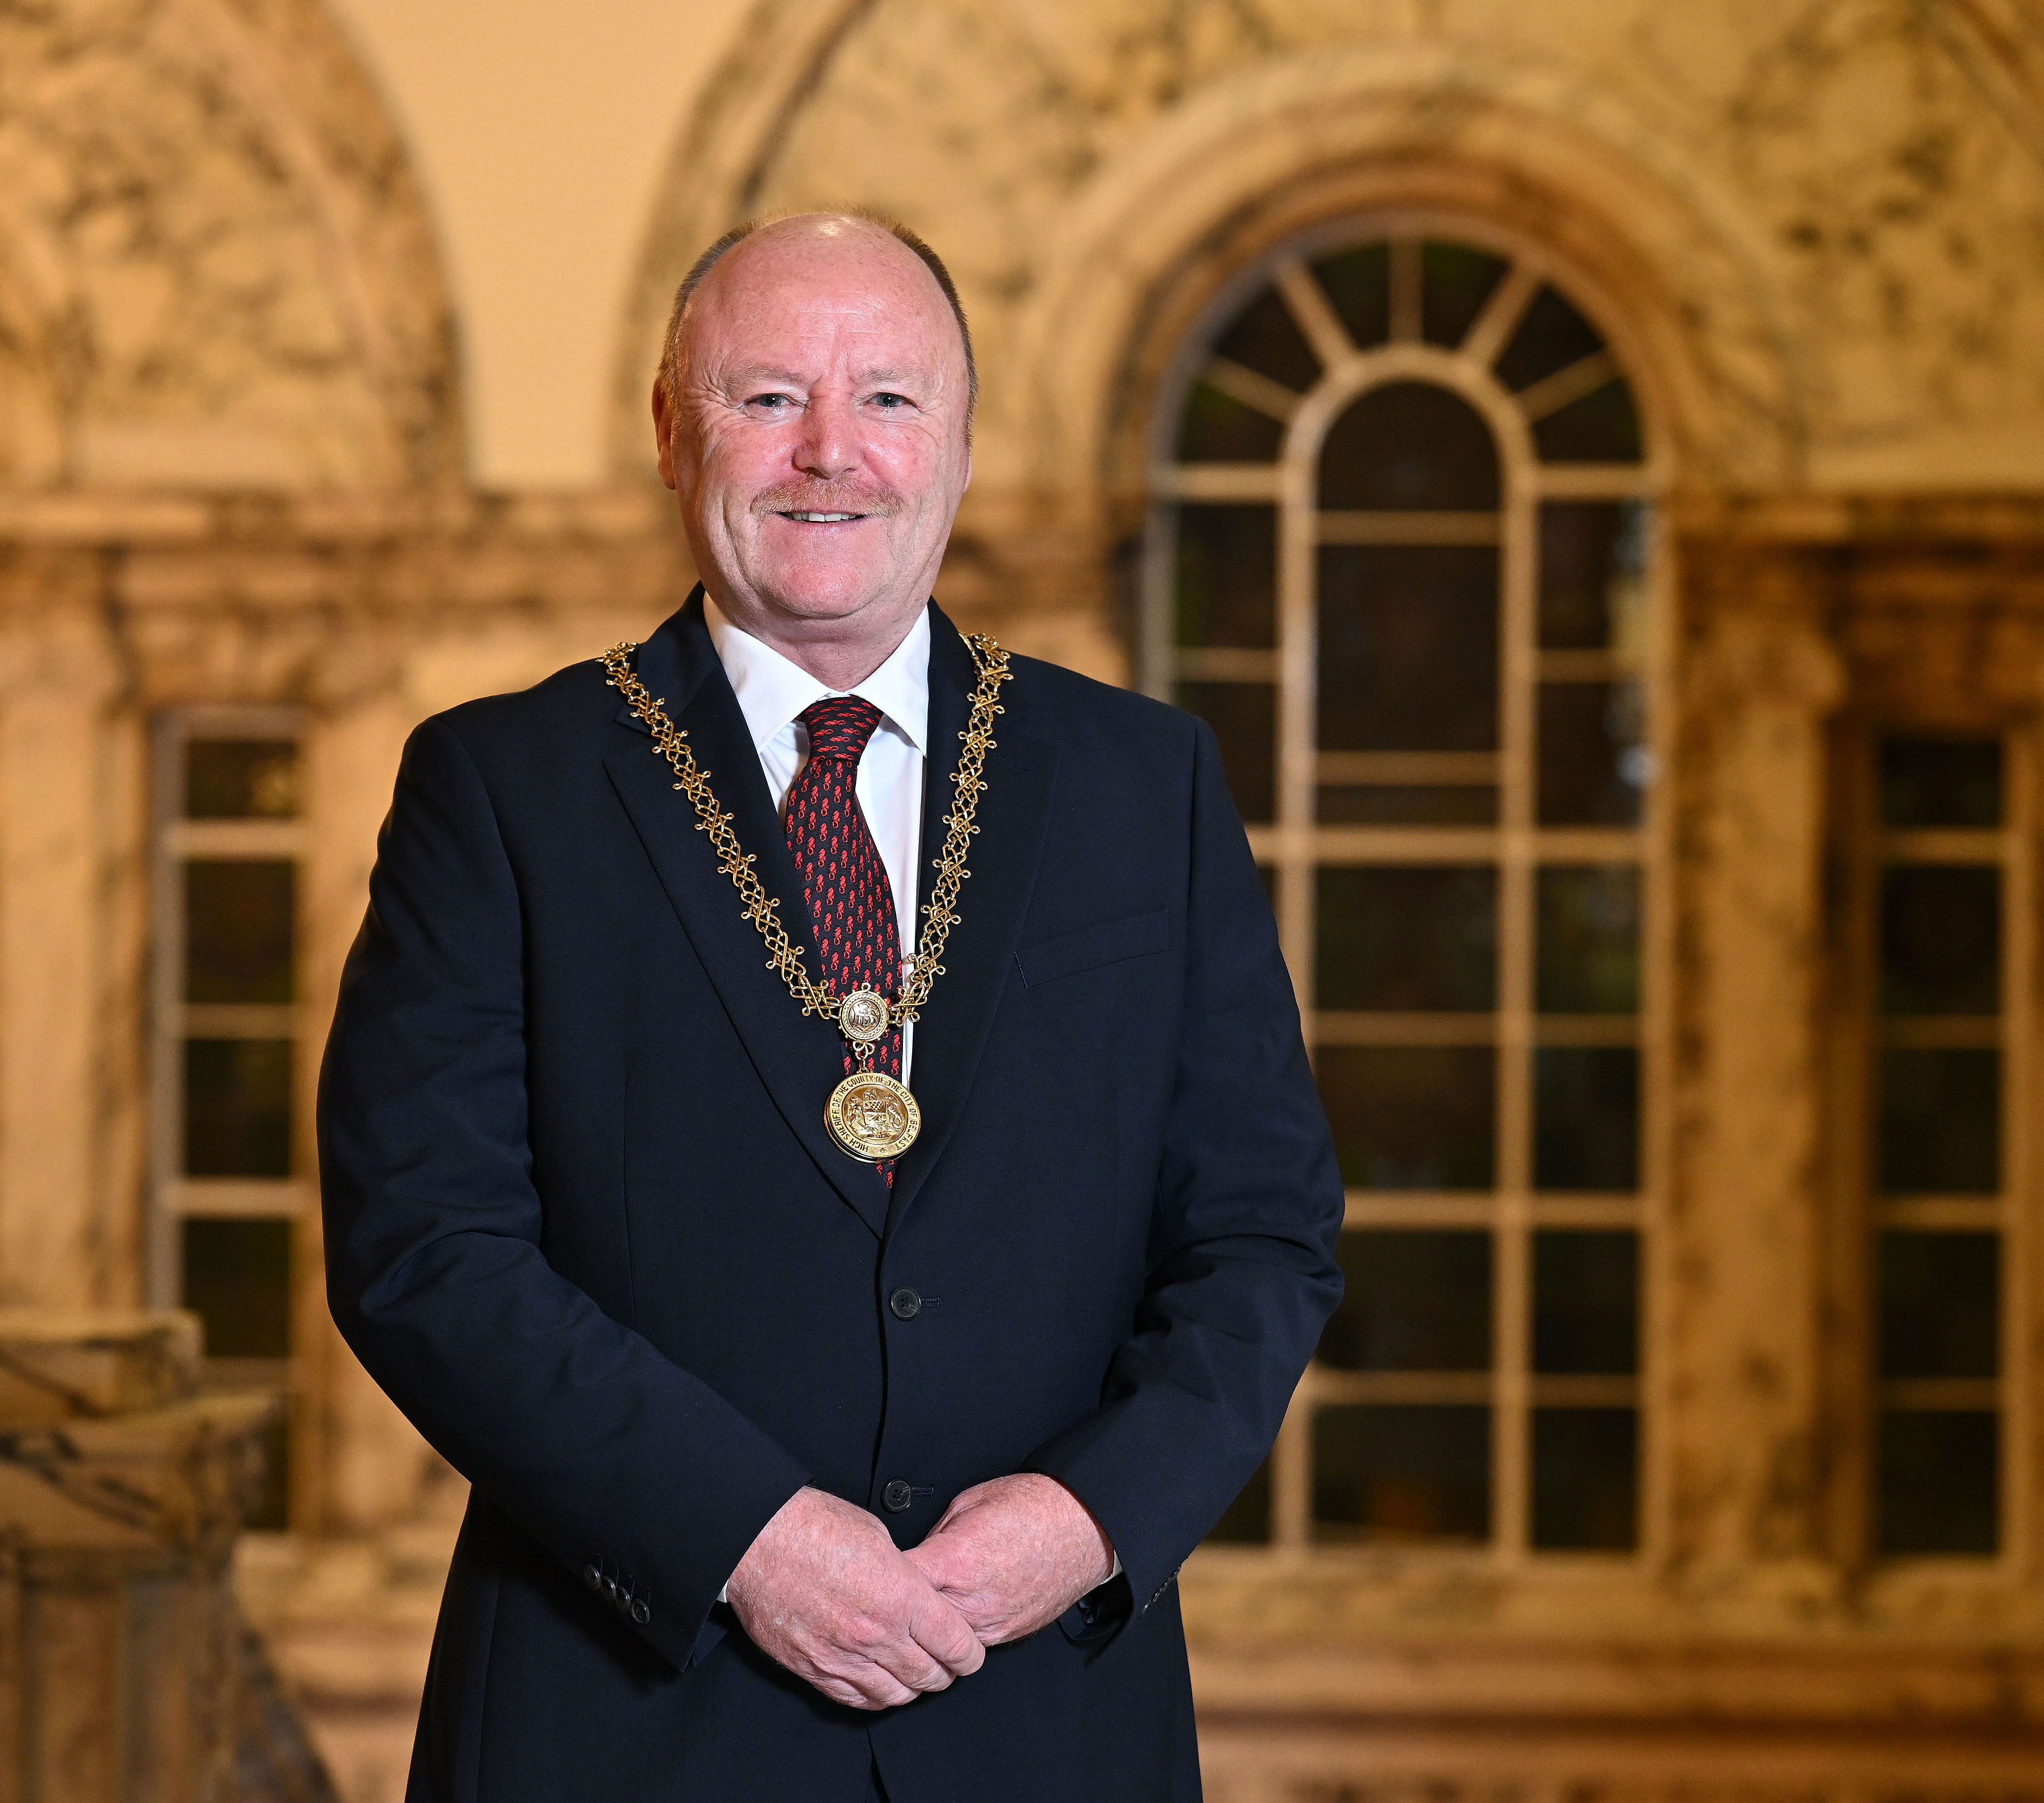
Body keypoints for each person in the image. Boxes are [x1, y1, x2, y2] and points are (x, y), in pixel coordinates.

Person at [318, 210, 1343, 1802]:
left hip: (1045, 1713)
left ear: (962, 443)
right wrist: (748, 1539)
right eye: (767, 396)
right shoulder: (501, 789)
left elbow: (1265, 1240)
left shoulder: (1146, 788)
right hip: (629, 1712)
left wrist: (1081, 1528)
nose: (829, 456)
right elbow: (424, 1250)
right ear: (672, 430)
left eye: (888, 400)